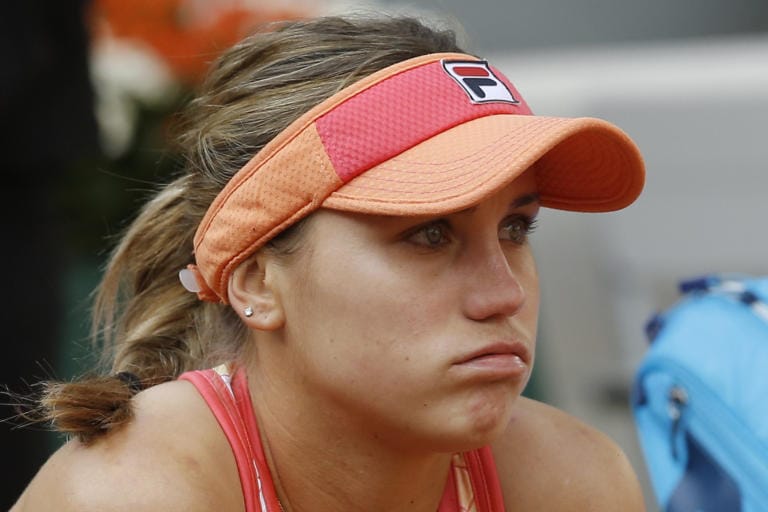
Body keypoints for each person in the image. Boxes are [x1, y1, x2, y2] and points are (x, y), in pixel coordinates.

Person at [11, 14, 647, 512]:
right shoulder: (135, 494)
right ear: (256, 279)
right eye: (428, 234)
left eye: (516, 227)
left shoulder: (571, 477)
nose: (504, 294)